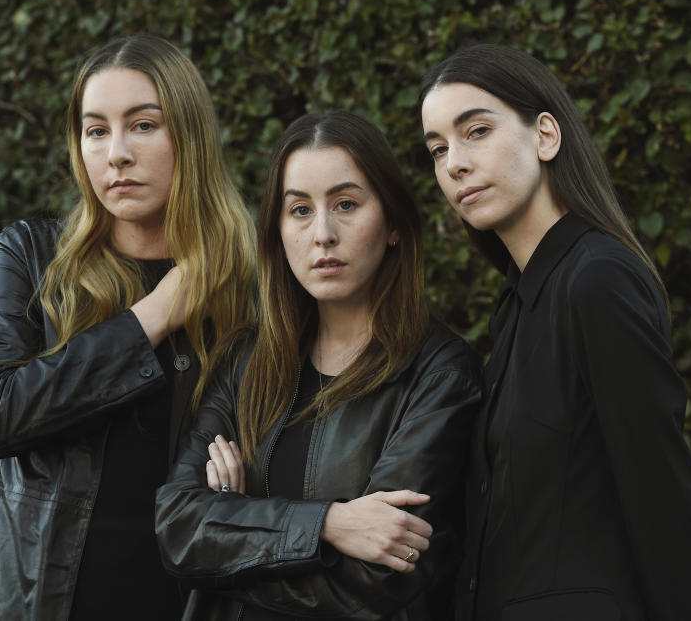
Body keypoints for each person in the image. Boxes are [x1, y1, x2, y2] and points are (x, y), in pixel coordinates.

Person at [0, 34, 257, 620]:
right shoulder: (31, 256)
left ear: (189, 136)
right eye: (96, 131)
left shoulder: (248, 284)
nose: (116, 153)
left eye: (143, 125)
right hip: (39, 603)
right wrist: (157, 313)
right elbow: (0, 409)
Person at [419, 44, 691, 620]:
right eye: (437, 148)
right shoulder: (516, 303)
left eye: (476, 130)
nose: (453, 163)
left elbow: (663, 497)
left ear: (546, 136)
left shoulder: (597, 279)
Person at [154, 110, 482, 620]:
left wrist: (234, 530)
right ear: (278, 231)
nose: (322, 233)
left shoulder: (438, 374)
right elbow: (178, 527)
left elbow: (381, 578)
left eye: (346, 204)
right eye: (300, 210)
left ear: (393, 224)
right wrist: (330, 524)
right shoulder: (245, 362)